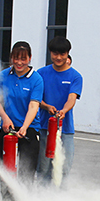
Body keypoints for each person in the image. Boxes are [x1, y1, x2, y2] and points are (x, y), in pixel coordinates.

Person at [0, 41, 43, 201]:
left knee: (26, 171)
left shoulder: (36, 79)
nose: (19, 62)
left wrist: (25, 127)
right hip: (8, 128)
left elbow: (33, 105)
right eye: (16, 58)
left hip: (28, 129)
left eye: (23, 58)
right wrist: (5, 118)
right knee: (6, 169)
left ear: (30, 58)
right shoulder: (3, 76)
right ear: (11, 58)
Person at [36, 37, 83, 185]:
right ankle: (41, 200)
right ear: (50, 53)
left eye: (62, 54)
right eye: (55, 53)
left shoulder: (75, 77)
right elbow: (36, 99)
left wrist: (63, 110)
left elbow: (72, 98)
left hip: (65, 130)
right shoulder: (41, 73)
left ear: (68, 54)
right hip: (44, 128)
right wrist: (47, 106)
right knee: (43, 168)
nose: (58, 57)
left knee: (64, 168)